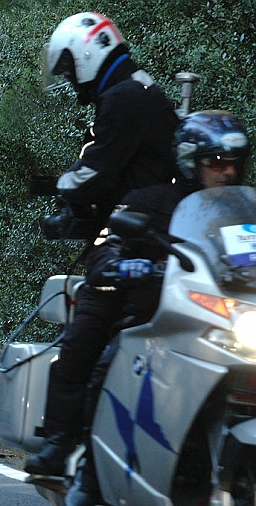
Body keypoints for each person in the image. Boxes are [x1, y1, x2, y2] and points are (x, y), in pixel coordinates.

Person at [63, 110, 252, 505]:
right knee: (108, 360)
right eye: (216, 163)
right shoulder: (149, 202)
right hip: (156, 321)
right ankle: (90, 474)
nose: (227, 172)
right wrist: (122, 261)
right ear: (189, 162)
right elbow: (103, 252)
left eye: (233, 162)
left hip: (222, 321)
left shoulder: (243, 215)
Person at [25, 11, 180, 479]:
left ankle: (59, 445)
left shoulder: (122, 99)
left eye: (71, 68)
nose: (72, 81)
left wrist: (57, 187)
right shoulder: (147, 89)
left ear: (88, 54)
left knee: (83, 336)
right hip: (173, 238)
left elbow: (97, 173)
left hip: (138, 239)